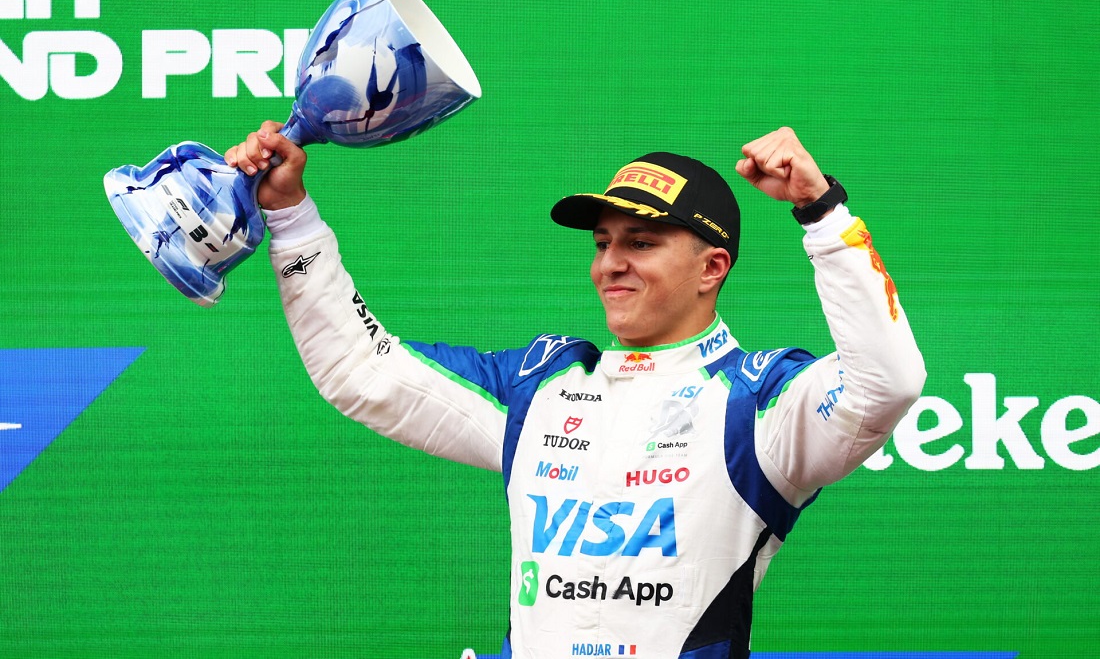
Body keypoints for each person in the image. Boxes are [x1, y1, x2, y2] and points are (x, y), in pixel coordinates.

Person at [225, 124, 925, 659]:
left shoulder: (756, 401)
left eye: (641, 243)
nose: (610, 264)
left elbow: (887, 382)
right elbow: (360, 369)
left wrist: (821, 211)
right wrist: (290, 216)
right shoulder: (545, 385)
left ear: (712, 267)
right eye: (602, 242)